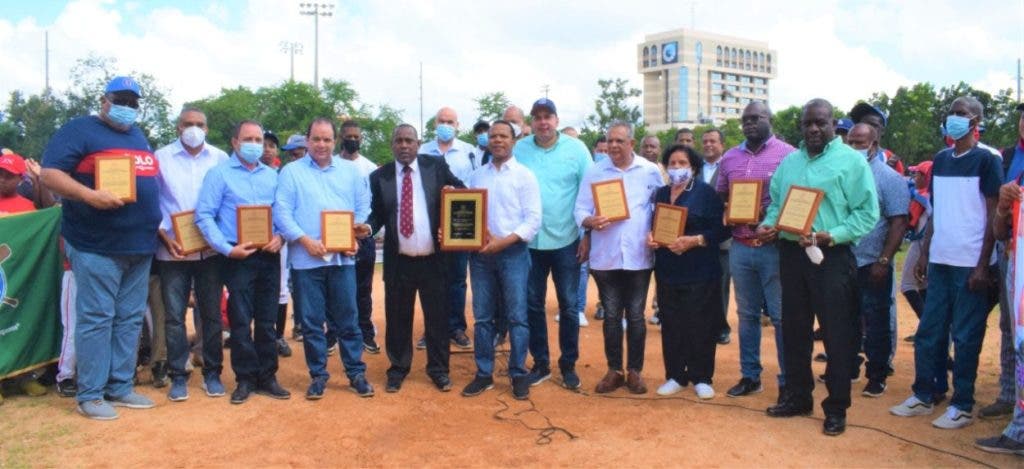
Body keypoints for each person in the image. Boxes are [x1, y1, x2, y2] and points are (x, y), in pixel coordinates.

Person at [41, 76, 160, 420]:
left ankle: (120, 386)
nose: (127, 107)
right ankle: (90, 394)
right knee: (96, 319)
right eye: (120, 100)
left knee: (129, 319)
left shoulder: (138, 135)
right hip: (97, 245)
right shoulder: (78, 130)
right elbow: (49, 174)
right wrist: (89, 195)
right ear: (104, 100)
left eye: (133, 103)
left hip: (139, 246)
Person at [759, 98, 879, 436]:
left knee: (837, 333)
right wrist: (769, 225)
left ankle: (836, 407)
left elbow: (867, 213)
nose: (813, 128)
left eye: (820, 122)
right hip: (791, 253)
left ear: (833, 124)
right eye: (807, 123)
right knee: (794, 329)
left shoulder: (851, 162)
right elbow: (777, 205)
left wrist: (833, 235)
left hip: (831, 256)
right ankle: (798, 396)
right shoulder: (789, 163)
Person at [890, 96, 1002, 429]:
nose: (954, 118)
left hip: (970, 263)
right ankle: (923, 395)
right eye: (951, 113)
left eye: (961, 114)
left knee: (966, 336)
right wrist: (925, 252)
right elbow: (936, 211)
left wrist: (983, 265)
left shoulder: (987, 160)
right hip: (940, 259)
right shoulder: (941, 159)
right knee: (930, 331)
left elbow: (993, 214)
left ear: (976, 121)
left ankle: (962, 404)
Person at [275, 117, 374, 399]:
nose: (321, 144)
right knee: (311, 322)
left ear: (335, 141)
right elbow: (282, 212)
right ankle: (318, 375)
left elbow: (362, 208)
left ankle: (356, 372)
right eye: (316, 139)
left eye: (327, 139)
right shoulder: (291, 173)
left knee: (348, 319)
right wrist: (304, 240)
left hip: (342, 260)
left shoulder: (350, 172)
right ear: (307, 141)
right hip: (306, 261)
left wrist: (353, 237)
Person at [194, 120, 290, 405]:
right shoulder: (219, 174)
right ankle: (245, 378)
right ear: (235, 142)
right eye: (248, 139)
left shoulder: (273, 176)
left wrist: (281, 236)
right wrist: (226, 249)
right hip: (238, 257)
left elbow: (283, 213)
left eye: (259, 140)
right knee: (239, 321)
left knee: (267, 321)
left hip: (269, 255)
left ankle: (267, 376)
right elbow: (204, 215)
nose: (255, 145)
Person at [363, 124, 463, 393]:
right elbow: (377, 214)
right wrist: (368, 228)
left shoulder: (435, 166)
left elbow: (461, 192)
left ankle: (439, 370)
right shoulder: (380, 177)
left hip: (434, 260)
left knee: (438, 319)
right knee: (397, 319)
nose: (404, 145)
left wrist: (450, 221)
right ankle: (398, 369)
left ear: (418, 144)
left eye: (409, 140)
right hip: (399, 261)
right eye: (399, 141)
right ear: (392, 145)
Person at [575, 120, 662, 394]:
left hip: (639, 254)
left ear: (631, 143)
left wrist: (658, 232)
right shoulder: (595, 171)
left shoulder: (649, 171)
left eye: (619, 141)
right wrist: (589, 221)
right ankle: (614, 370)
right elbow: (580, 209)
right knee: (612, 315)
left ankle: (635, 371)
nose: (613, 145)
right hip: (606, 254)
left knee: (636, 315)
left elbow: (660, 208)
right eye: (610, 140)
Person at [715, 101, 794, 399]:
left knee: (781, 316)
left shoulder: (788, 155)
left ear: (769, 119)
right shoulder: (730, 157)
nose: (749, 123)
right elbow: (721, 195)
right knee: (746, 315)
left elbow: (796, 198)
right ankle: (750, 376)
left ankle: (788, 380)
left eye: (756, 118)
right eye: (745, 119)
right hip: (741, 245)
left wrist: (774, 221)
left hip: (775, 248)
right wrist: (729, 210)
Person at [514, 98, 592, 390]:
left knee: (569, 306)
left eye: (548, 116)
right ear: (531, 122)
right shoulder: (519, 149)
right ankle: (541, 364)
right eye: (537, 117)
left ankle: (568, 365)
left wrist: (587, 235)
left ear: (557, 120)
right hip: (529, 243)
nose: (543, 122)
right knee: (533, 305)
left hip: (567, 241)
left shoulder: (577, 149)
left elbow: (591, 193)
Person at [461, 120, 541, 400]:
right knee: (483, 317)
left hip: (513, 254)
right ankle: (484, 373)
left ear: (513, 141)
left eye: (503, 136)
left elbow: (533, 221)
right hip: (481, 256)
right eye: (493, 136)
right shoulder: (476, 177)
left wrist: (503, 242)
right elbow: (465, 213)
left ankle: (518, 373)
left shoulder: (525, 176)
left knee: (517, 317)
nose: (497, 140)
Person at [154, 107, 229, 402]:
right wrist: (164, 235)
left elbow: (227, 202)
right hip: (173, 250)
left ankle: (212, 372)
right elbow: (152, 201)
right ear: (178, 127)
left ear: (207, 129)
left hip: (210, 252)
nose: (193, 129)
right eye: (187, 124)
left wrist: (218, 237)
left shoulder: (220, 158)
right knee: (174, 316)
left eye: (199, 124)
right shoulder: (161, 158)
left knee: (211, 314)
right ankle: (178, 374)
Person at [647, 144, 728, 399]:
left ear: (693, 168)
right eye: (672, 163)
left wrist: (696, 240)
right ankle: (675, 375)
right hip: (667, 269)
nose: (677, 167)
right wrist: (651, 236)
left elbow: (722, 230)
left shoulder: (706, 193)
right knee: (671, 323)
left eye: (682, 163)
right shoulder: (661, 193)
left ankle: (701, 377)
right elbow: (653, 224)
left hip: (699, 270)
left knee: (699, 324)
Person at [847, 123, 909, 398]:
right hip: (844, 261)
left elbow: (899, 222)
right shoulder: (844, 174)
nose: (854, 148)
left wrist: (883, 261)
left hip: (873, 263)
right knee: (845, 320)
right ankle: (848, 367)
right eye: (850, 142)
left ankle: (877, 375)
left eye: (859, 143)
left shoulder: (888, 178)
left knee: (876, 321)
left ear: (873, 145)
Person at [976, 126, 1024, 452]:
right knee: (1014, 333)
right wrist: (1004, 209)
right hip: (1014, 262)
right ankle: (1013, 405)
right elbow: (999, 228)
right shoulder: (1009, 160)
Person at [419, 107, 477, 350]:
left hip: (460, 222)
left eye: (450, 121)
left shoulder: (469, 152)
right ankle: (432, 328)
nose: (446, 125)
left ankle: (456, 327)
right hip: (429, 224)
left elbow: (475, 186)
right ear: (435, 124)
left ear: (457, 125)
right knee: (431, 279)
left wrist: (456, 192)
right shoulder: (422, 151)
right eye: (442, 121)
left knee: (457, 278)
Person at [0, 152, 49, 404]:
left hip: (20, 279)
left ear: (20, 179)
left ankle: (25, 376)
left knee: (20, 324)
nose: (1, 179)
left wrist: (40, 181)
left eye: (8, 175)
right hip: (3, 277)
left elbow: (47, 219)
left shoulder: (29, 207)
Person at [340, 120, 382, 354]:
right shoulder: (332, 165)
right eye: (349, 136)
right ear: (341, 138)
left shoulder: (370, 168)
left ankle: (366, 332)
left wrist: (367, 229)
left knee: (363, 289)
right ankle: (333, 333)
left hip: (363, 237)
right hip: (335, 236)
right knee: (336, 287)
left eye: (357, 137)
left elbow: (376, 206)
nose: (353, 140)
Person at [701, 128, 731, 344]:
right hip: (696, 236)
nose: (708, 145)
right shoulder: (694, 168)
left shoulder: (729, 167)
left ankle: (721, 327)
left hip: (722, 237)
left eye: (713, 141)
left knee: (721, 284)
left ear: (722, 144)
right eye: (705, 141)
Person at [901, 161, 932, 341]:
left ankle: (928, 327)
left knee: (907, 285)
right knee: (923, 286)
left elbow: (911, 221)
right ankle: (927, 327)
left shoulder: (924, 197)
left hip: (922, 245)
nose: (915, 178)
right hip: (926, 245)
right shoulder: (928, 195)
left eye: (918, 174)